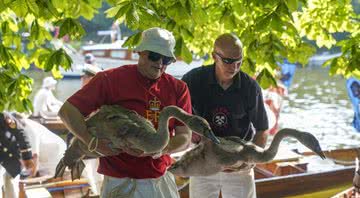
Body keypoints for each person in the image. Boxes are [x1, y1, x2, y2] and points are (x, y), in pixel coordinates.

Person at [58, 27, 192, 198]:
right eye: (154, 56)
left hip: (158, 180)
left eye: (166, 59)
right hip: (117, 181)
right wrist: (91, 141)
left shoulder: (179, 88)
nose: (160, 63)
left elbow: (185, 137)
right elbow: (67, 111)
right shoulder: (110, 80)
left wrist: (160, 149)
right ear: (140, 52)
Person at [182, 33, 269, 198]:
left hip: (238, 162)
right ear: (214, 56)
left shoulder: (250, 87)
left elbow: (262, 129)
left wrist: (249, 159)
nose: (234, 67)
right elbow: (177, 116)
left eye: (239, 61)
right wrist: (187, 136)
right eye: (228, 61)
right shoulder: (193, 80)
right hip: (202, 159)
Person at [0, 112, 35, 198]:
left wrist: (27, 157)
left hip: (10, 158)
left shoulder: (4, 117)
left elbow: (20, 134)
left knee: (11, 189)